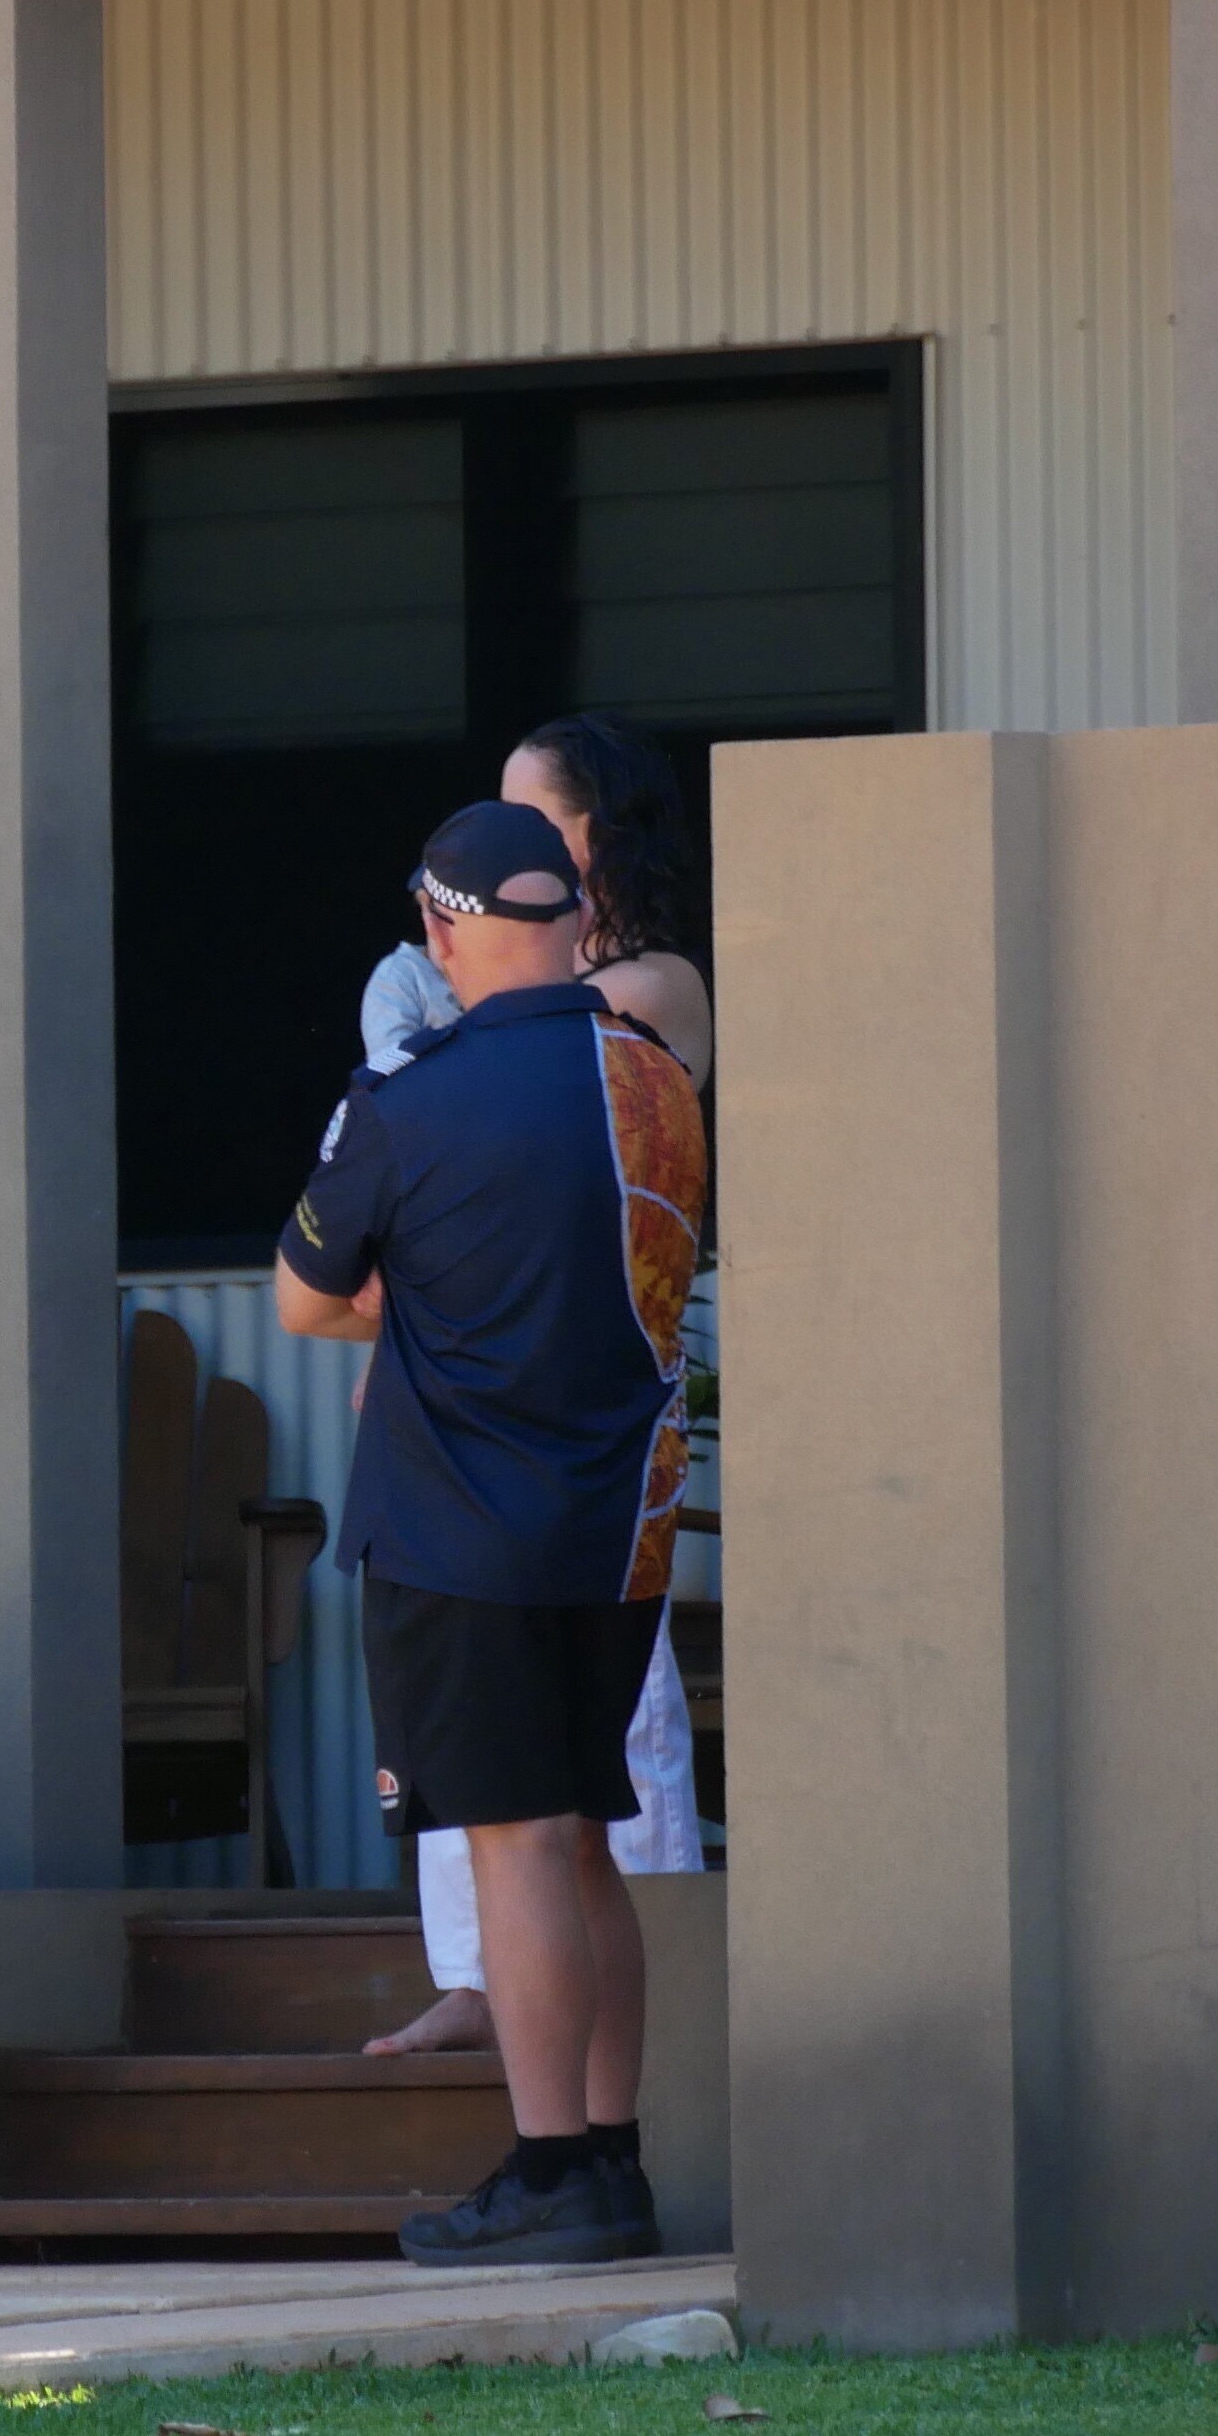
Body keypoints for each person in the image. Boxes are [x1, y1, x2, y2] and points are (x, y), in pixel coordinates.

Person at [277, 798, 707, 2267]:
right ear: (574, 924)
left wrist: (415, 1300)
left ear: (448, 929)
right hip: (623, 1537)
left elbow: (301, 1293)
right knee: (589, 1841)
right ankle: (617, 2160)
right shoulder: (656, 1080)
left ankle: (548, 2169)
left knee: (518, 1847)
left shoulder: (409, 1096)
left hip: (466, 1532)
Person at [355, 715, 715, 2061]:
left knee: (616, 1729)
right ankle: (476, 1975)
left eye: (536, 816)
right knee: (476, 1729)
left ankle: (633, 1988)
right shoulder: (475, 1020)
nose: (507, 837)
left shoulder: (656, 986)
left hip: (593, 1402)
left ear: (598, 836)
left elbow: (534, 1092)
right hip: (477, 1382)